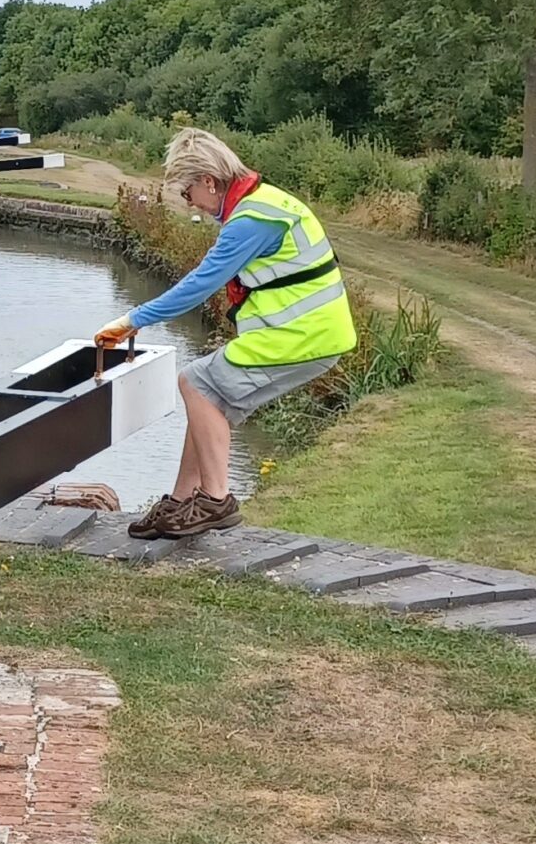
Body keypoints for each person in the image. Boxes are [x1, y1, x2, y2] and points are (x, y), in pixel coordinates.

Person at [94, 127, 354, 540]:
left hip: (303, 336)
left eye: (187, 193)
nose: (189, 203)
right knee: (209, 399)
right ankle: (181, 500)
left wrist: (133, 320)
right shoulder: (262, 203)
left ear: (209, 182)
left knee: (194, 383)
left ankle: (216, 500)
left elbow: (201, 284)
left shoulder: (250, 221)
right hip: (307, 335)